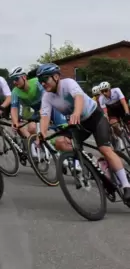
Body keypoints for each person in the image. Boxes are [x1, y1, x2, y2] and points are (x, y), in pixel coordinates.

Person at [36, 64, 130, 201]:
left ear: (56, 77)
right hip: (78, 124)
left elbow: (78, 98)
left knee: (105, 149)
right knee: (60, 142)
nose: (43, 83)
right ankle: (89, 161)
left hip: (95, 117)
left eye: (45, 79)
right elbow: (45, 116)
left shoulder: (68, 83)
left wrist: (76, 113)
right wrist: (42, 133)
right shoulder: (47, 97)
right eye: (40, 81)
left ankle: (127, 185)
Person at [8, 66, 67, 157]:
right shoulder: (15, 92)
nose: (14, 82)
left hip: (52, 107)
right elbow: (14, 108)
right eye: (12, 80)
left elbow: (46, 95)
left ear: (24, 77)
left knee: (65, 131)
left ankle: (76, 158)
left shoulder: (36, 82)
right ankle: (48, 146)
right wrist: (15, 122)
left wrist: (42, 110)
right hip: (38, 111)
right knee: (31, 128)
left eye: (16, 79)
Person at [98, 81, 130, 150]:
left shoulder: (116, 90)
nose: (104, 93)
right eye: (102, 91)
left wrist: (127, 113)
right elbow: (105, 112)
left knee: (128, 122)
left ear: (109, 89)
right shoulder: (101, 98)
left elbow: (123, 102)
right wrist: (107, 121)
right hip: (112, 110)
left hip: (121, 106)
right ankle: (122, 136)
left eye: (106, 91)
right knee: (113, 124)